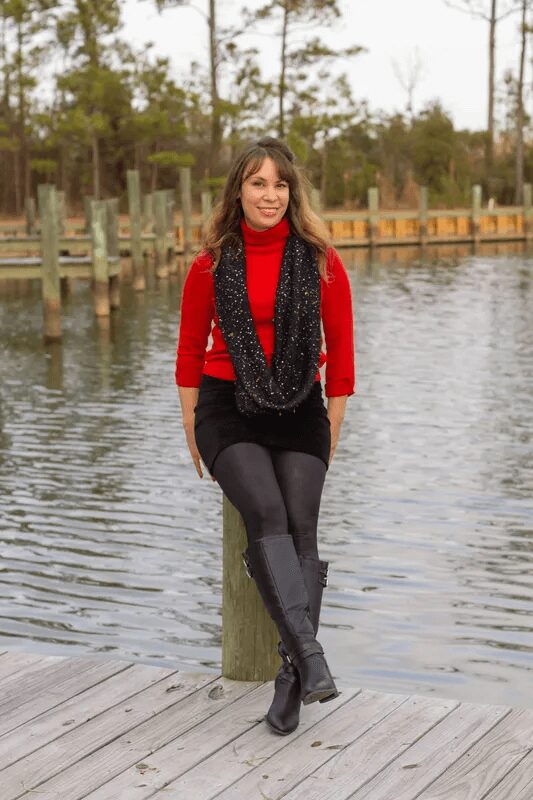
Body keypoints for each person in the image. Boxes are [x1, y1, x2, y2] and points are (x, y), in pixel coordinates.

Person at [175, 136, 355, 735]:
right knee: (268, 511)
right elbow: (188, 351)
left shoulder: (322, 260)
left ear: (292, 193)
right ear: (239, 192)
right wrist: (189, 425)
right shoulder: (211, 262)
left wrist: (332, 421)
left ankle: (290, 680)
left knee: (303, 523)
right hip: (227, 402)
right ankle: (311, 658)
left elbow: (344, 353)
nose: (270, 195)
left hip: (302, 398)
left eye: (280, 184)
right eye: (258, 183)